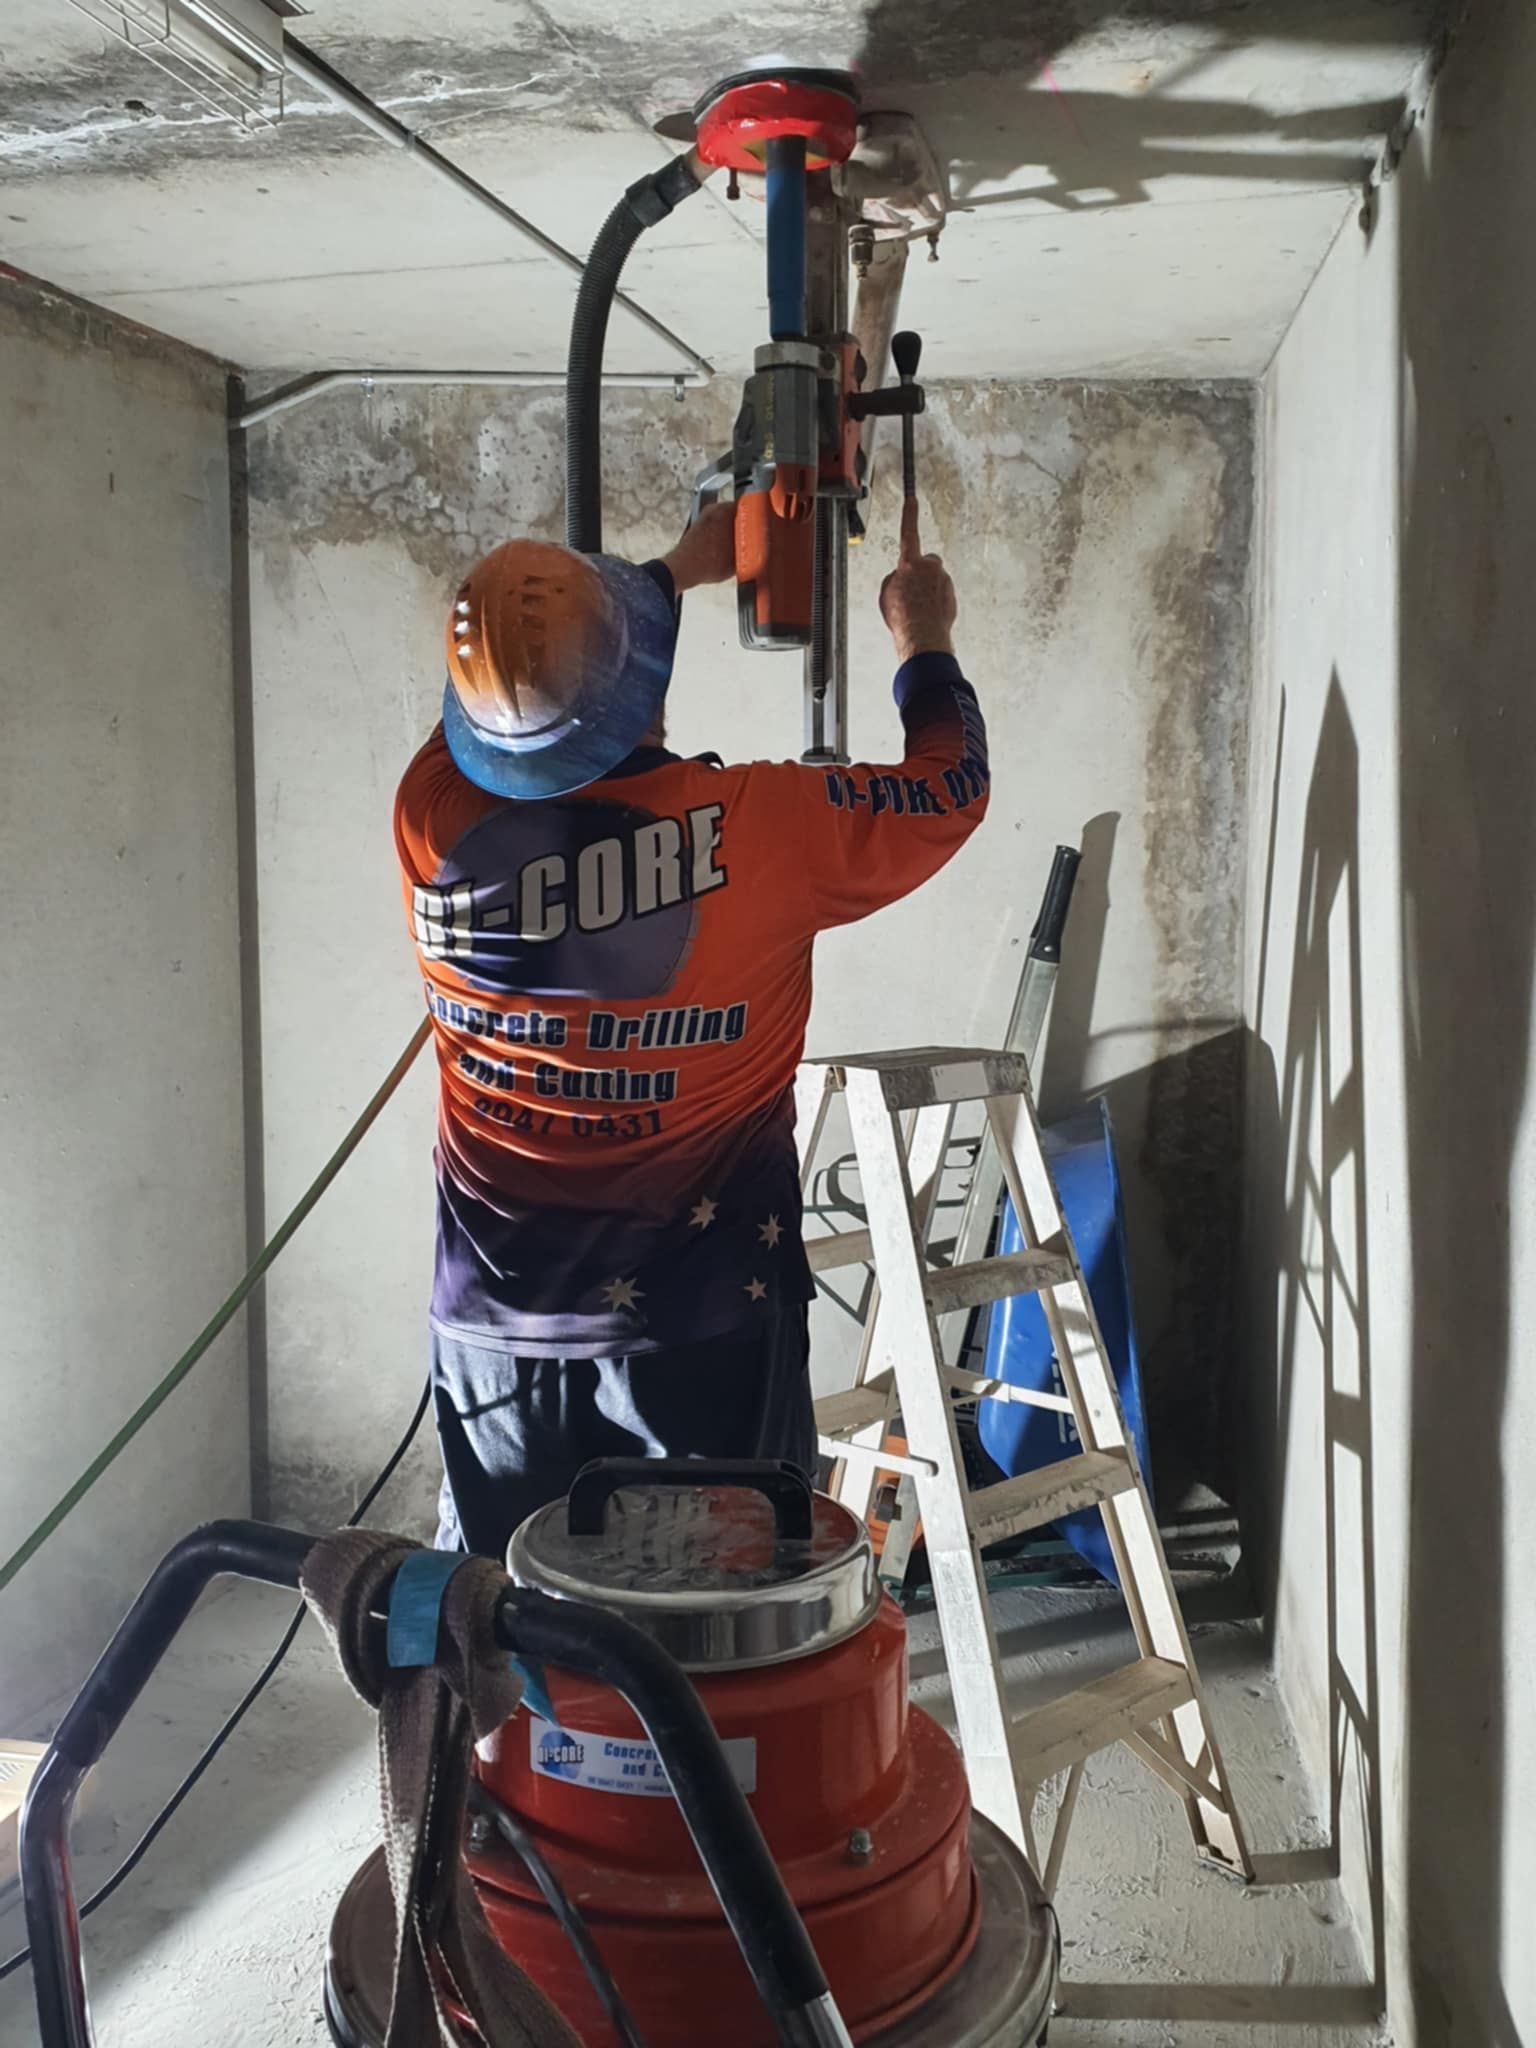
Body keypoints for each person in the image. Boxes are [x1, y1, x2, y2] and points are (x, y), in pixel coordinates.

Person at [394, 497, 990, 1556]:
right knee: (718, 1644)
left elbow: (540, 703)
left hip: (492, 1326)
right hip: (701, 1327)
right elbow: (949, 785)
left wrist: (678, 570)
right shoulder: (773, 829)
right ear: (643, 688)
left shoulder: (428, 816)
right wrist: (922, 638)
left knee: (509, 1628)